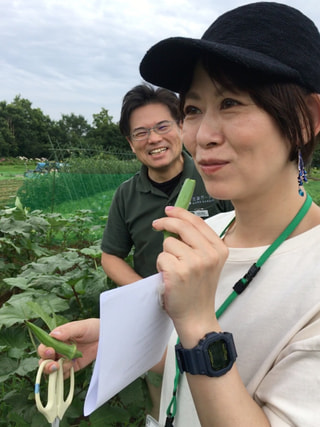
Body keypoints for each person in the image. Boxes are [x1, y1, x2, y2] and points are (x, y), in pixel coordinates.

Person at [38, 3, 320, 426]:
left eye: (230, 102)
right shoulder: (212, 231)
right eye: (192, 109)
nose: (202, 135)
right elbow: (187, 362)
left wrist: (196, 322)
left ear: (305, 119)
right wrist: (117, 342)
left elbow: (199, 338)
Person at [100, 83, 232, 285]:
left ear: (181, 126)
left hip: (216, 298)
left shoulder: (215, 177)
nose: (153, 139)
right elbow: (110, 256)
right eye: (141, 133)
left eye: (162, 127)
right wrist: (148, 294)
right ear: (131, 143)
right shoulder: (126, 194)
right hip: (155, 309)